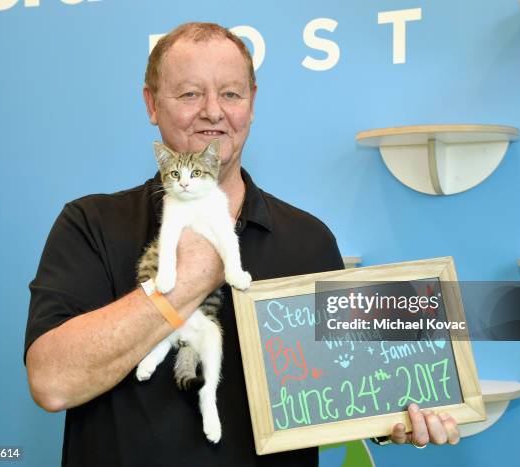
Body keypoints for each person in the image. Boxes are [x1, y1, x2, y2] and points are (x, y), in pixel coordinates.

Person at [24, 22, 460, 467]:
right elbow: (52, 381)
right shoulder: (90, 224)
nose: (213, 111)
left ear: (251, 104)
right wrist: (186, 281)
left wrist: (394, 418)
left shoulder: (308, 240)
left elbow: (347, 387)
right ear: (151, 104)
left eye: (231, 94)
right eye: (190, 94)